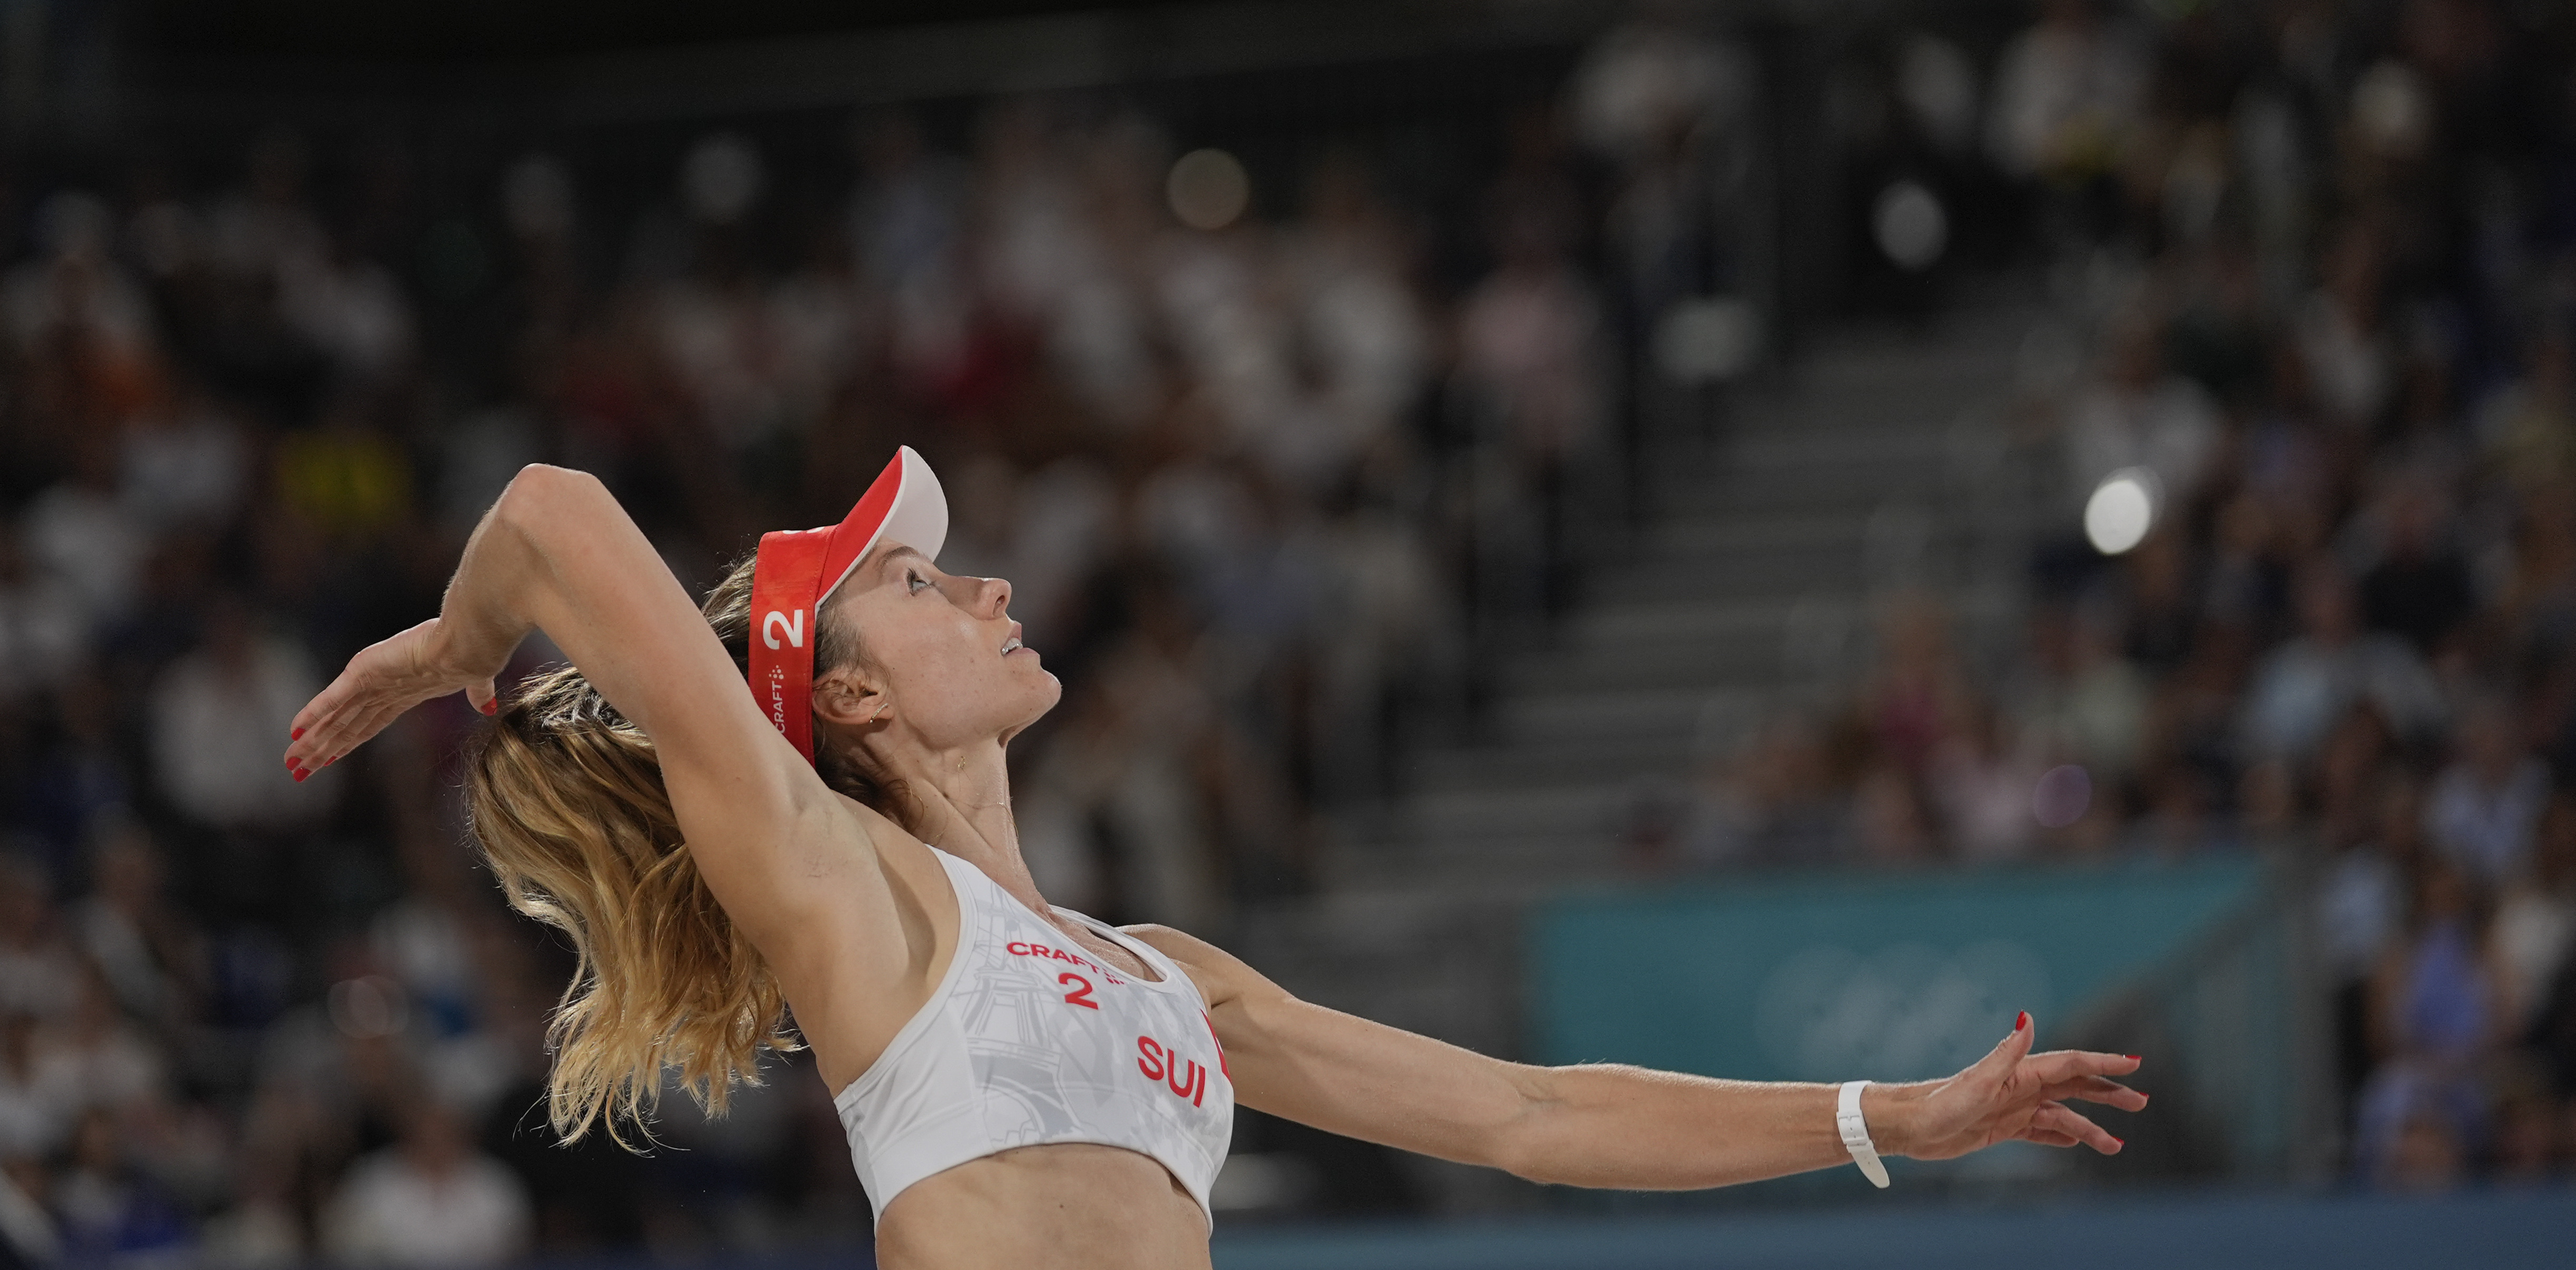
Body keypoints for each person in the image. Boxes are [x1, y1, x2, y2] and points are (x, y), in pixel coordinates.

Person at [289, 449, 2146, 1269]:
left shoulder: (1164, 965)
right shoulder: (837, 883)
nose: (990, 580)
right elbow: (545, 515)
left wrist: (1886, 1117)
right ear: (845, 695)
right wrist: (462, 649)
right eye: (924, 581)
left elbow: (1533, 1116)